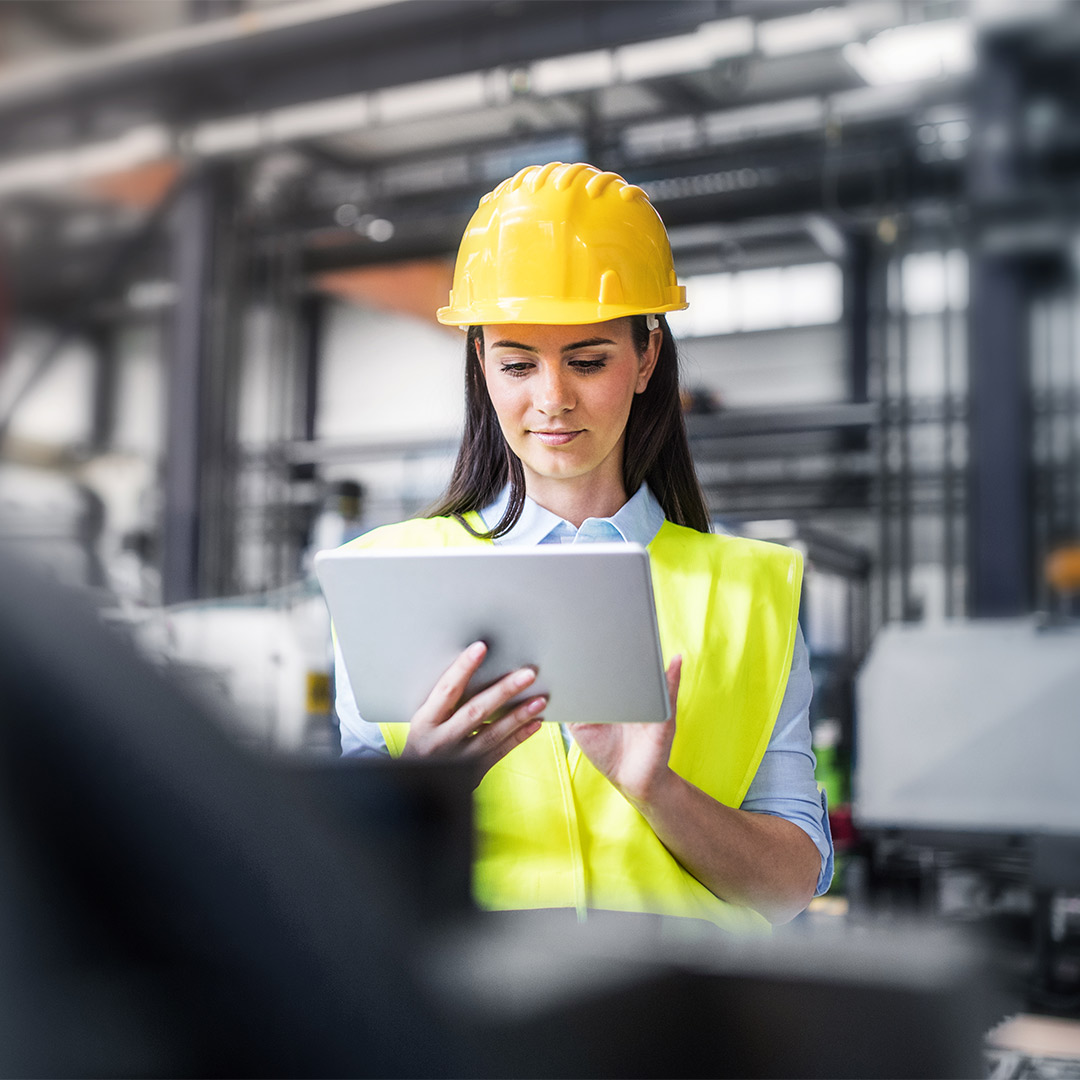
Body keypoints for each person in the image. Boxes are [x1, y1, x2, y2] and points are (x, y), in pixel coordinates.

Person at [335, 161, 833, 932]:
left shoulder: (752, 594)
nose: (552, 399)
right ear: (481, 365)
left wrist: (659, 792)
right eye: (517, 364)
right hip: (472, 1030)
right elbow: (338, 881)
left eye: (588, 360)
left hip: (681, 1030)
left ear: (647, 357)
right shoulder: (388, 577)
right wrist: (424, 786)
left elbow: (790, 885)